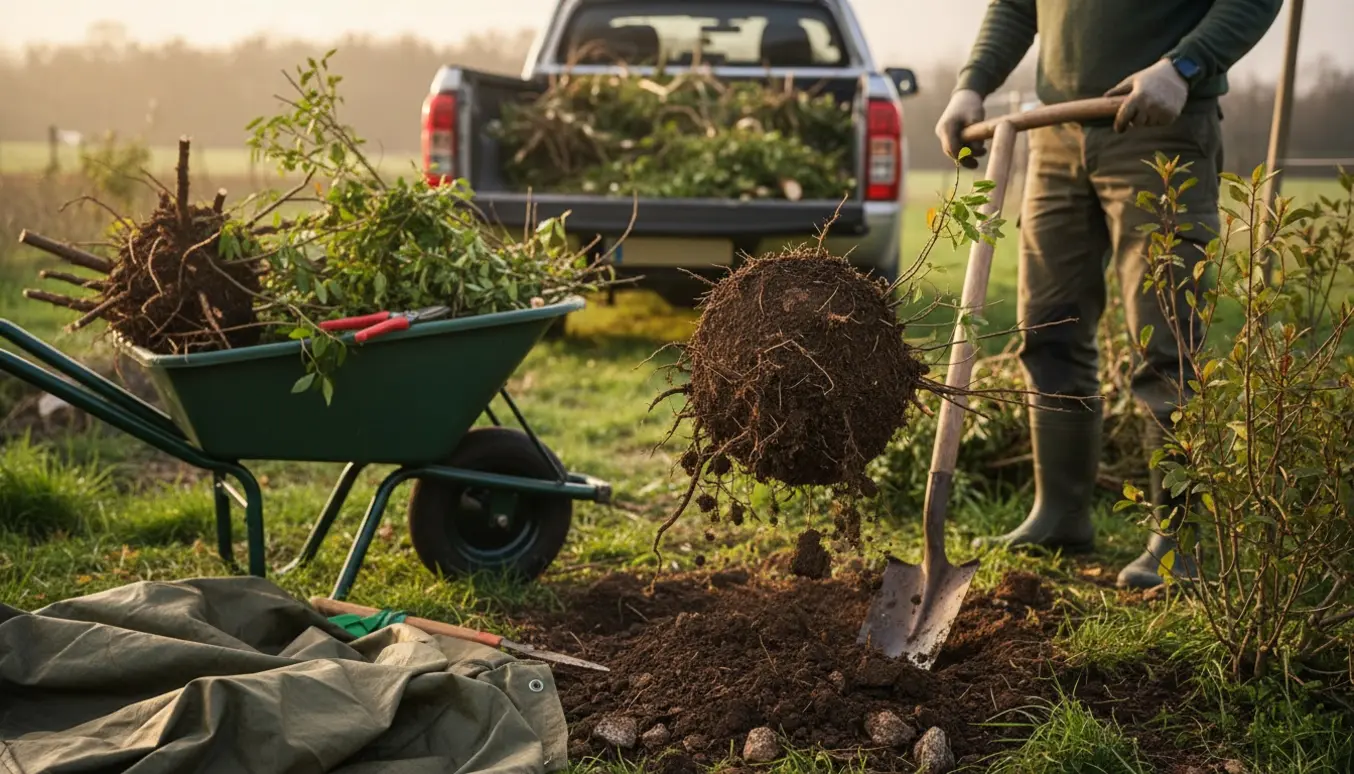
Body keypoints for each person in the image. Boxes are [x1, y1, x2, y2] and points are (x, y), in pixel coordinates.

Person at [935, 0, 1282, 588]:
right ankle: (1060, 514)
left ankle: (1178, 539)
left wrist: (1184, 65)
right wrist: (972, 84)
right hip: (1055, 131)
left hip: (1160, 126)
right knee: (1047, 331)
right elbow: (1017, 7)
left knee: (1166, 340)